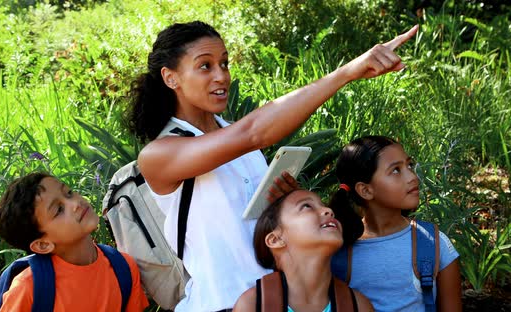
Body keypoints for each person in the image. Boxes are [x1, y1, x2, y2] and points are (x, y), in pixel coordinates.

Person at [127, 20, 418, 311]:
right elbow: (253, 133)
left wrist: (283, 204)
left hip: (278, 301)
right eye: (205, 66)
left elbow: (258, 230)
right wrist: (348, 73)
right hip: (220, 304)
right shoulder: (161, 153)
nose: (221, 76)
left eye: (225, 64)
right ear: (171, 78)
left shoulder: (237, 139)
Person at [329, 136, 462, 311]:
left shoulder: (433, 243)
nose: (412, 177)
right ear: (366, 190)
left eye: (409, 166)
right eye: (396, 171)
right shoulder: (339, 251)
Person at [0, 172, 149, 311]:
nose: (75, 203)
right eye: (59, 210)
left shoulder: (123, 268)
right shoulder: (29, 289)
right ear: (43, 244)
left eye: (68, 193)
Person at [233, 189, 374, 312]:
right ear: (275, 239)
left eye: (324, 206)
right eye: (307, 206)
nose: (329, 211)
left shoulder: (359, 306)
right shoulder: (252, 305)